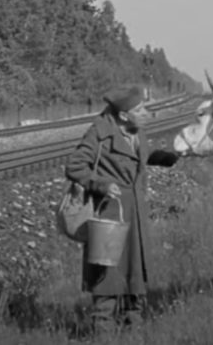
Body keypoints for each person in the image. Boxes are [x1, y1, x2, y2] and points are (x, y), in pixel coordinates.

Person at [64, 85, 179, 335]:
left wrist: (166, 157)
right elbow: (74, 166)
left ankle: (132, 331)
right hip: (109, 215)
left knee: (135, 272)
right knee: (108, 275)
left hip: (135, 213)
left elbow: (136, 158)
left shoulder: (137, 131)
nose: (147, 112)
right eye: (141, 109)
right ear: (125, 115)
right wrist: (100, 184)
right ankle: (103, 332)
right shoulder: (100, 133)